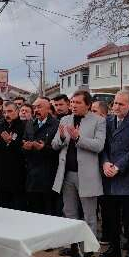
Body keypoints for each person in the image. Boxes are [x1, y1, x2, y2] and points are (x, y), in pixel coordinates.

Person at [52, 90, 106, 244]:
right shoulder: (65, 119)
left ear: (88, 105)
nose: (73, 105)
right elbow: (55, 145)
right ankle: (73, 246)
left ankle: (89, 246)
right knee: (69, 212)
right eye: (72, 102)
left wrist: (78, 138)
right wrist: (62, 137)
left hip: (87, 175)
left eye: (78, 102)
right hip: (66, 174)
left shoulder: (98, 121)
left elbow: (99, 145)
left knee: (89, 215)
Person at [100, 91, 129, 257]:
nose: (116, 107)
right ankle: (114, 247)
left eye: (121, 104)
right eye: (115, 103)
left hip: (128, 177)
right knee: (111, 216)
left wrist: (118, 167)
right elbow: (102, 146)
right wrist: (105, 163)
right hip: (109, 176)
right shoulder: (107, 122)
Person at [22, 98, 59, 215]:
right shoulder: (30, 123)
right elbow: (24, 142)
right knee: (34, 209)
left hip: (48, 173)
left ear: (48, 108)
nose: (36, 110)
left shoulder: (56, 124)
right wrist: (26, 147)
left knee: (48, 210)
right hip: (32, 173)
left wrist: (43, 148)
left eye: (39, 107)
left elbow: (59, 149)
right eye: (35, 107)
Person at [0, 101, 27, 210]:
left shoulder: (24, 126)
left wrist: (11, 142)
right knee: (1, 203)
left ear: (17, 111)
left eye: (10, 111)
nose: (7, 114)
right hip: (1, 170)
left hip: (17, 172)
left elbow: (25, 147)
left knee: (16, 205)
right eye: (5, 112)